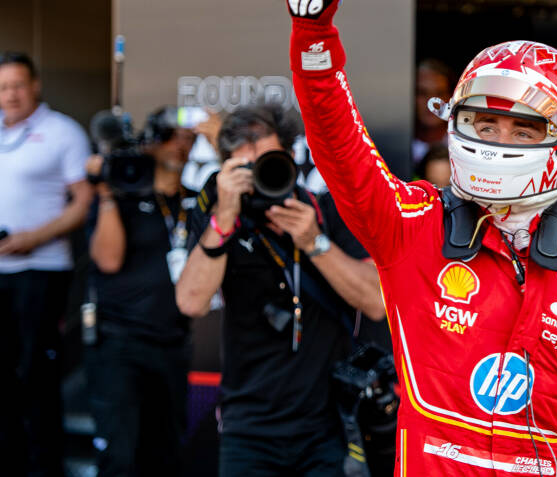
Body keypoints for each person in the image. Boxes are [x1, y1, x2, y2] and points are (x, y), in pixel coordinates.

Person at [282, 0, 557, 476]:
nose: (497, 142)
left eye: (523, 130)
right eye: (484, 124)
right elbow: (339, 147)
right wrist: (315, 38)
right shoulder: (412, 226)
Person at [175, 103, 385, 477]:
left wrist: (314, 242)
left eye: (270, 162)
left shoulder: (324, 209)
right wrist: (223, 219)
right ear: (226, 170)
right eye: (245, 167)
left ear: (291, 156)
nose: (260, 176)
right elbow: (190, 301)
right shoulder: (219, 217)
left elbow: (377, 303)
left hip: (326, 424)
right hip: (247, 427)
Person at [82, 107, 197, 476]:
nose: (179, 146)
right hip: (120, 342)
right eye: (170, 137)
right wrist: (107, 193)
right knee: (121, 457)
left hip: (173, 342)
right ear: (151, 142)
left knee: (165, 453)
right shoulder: (121, 191)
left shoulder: (194, 201)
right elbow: (108, 260)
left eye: (188, 138)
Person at [0, 51, 94, 477]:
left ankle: (45, 467)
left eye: (18, 85)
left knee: (36, 375)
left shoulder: (62, 132)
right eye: (3, 87)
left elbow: (84, 202)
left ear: (35, 85)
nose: (11, 94)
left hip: (42, 271)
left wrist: (33, 238)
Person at [412, 58, 453, 167]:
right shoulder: (395, 146)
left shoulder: (463, 146)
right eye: (422, 93)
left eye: (439, 93)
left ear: (451, 97)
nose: (431, 102)